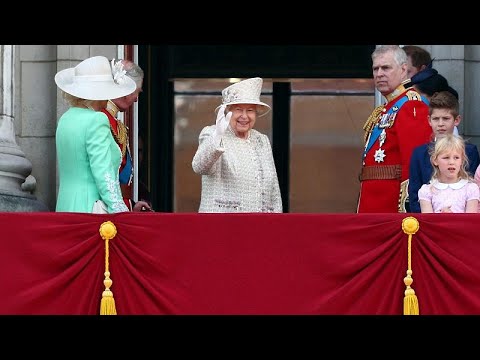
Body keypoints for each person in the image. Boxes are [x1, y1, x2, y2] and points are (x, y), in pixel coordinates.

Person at [54, 55, 137, 213]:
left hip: (66, 207)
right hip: (91, 209)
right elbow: (103, 171)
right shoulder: (97, 120)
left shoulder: (65, 119)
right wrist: (120, 210)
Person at [357, 45, 432, 213]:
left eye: (386, 68)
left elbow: (414, 163)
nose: (379, 74)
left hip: (390, 206)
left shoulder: (411, 105)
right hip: (373, 202)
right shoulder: (387, 107)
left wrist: (407, 208)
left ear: (403, 69)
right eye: (375, 69)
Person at [192, 77, 282, 213]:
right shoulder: (212, 133)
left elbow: (273, 189)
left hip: (259, 226)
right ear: (227, 111)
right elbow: (199, 167)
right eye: (239, 109)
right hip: (222, 225)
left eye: (250, 110)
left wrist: (277, 221)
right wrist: (217, 135)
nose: (244, 116)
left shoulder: (261, 140)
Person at [409, 91, 479, 213]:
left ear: (456, 120)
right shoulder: (419, 153)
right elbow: (414, 195)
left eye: (446, 118)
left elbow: (473, 190)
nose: (440, 124)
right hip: (428, 222)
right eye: (436, 119)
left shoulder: (469, 151)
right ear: (429, 120)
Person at [101, 59, 152, 212]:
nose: (136, 98)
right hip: (106, 210)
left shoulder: (113, 121)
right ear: (125, 87)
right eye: (137, 91)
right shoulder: (101, 119)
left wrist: (130, 206)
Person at [418, 134, 479, 213]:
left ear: (462, 161)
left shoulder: (471, 189)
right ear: (435, 161)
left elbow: (471, 222)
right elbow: (428, 222)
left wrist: (451, 219)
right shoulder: (427, 191)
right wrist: (442, 217)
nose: (451, 162)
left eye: (456, 158)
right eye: (446, 158)